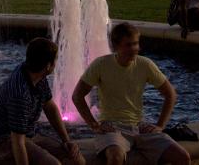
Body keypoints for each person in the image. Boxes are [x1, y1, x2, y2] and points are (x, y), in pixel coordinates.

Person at [71, 23, 190, 165]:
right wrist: (94, 125)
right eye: (128, 45)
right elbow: (77, 96)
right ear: (116, 46)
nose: (134, 49)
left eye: (136, 44)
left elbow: (170, 94)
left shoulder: (145, 64)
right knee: (115, 157)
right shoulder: (101, 65)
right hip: (112, 127)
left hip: (139, 127)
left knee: (182, 157)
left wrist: (160, 125)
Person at [0, 38, 84, 165]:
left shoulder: (36, 75)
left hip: (26, 136)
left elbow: (50, 107)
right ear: (47, 66)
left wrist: (66, 141)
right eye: (56, 59)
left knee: (76, 159)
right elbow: (17, 141)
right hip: (0, 142)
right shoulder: (20, 94)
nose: (57, 63)